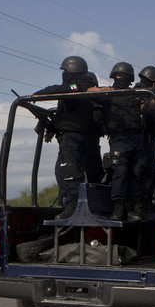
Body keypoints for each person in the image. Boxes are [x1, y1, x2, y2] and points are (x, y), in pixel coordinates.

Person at [33, 56, 103, 219]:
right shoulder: (78, 91)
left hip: (75, 138)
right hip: (85, 137)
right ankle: (87, 204)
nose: (64, 74)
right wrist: (52, 127)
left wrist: (39, 94)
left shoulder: (81, 85)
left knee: (68, 170)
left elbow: (60, 89)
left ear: (72, 70)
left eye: (65, 71)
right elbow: (64, 115)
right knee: (86, 172)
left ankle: (73, 206)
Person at [103, 62, 146, 220]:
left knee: (137, 173)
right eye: (119, 76)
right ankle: (118, 208)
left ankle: (134, 208)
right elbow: (89, 92)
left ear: (130, 79)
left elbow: (151, 105)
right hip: (119, 138)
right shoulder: (107, 94)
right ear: (114, 77)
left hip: (137, 138)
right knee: (119, 172)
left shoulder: (137, 93)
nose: (121, 78)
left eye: (125, 76)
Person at [134, 66, 155, 214]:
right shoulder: (142, 95)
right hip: (144, 139)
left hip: (149, 138)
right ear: (153, 81)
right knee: (144, 172)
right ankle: (141, 205)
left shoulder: (144, 95)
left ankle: (144, 204)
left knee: (149, 174)